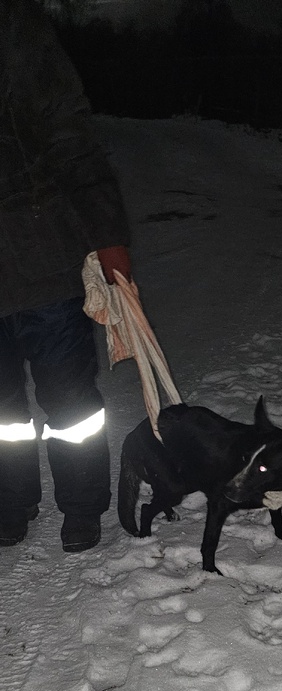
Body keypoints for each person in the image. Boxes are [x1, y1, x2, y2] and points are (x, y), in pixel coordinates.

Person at [0, 0, 132, 552]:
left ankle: (81, 506)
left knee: (70, 402)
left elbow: (68, 137)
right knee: (2, 413)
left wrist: (108, 237)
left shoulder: (14, 27)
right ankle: (10, 502)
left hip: (42, 259)